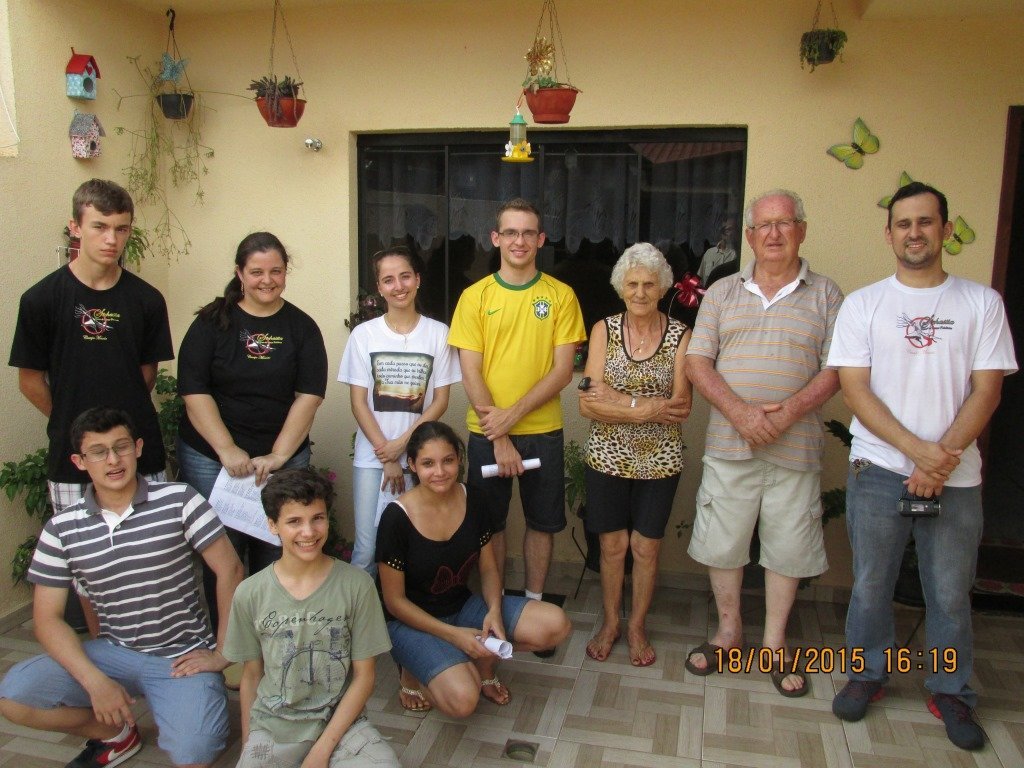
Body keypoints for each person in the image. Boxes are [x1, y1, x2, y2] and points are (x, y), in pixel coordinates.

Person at [827, 182, 1016, 750]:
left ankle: (951, 690)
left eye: (926, 222)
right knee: (871, 585)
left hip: (955, 478)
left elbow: (987, 392)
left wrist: (938, 461)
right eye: (904, 224)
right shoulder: (864, 305)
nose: (915, 233)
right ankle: (867, 675)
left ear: (946, 230)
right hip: (879, 470)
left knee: (950, 593)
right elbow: (855, 390)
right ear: (889, 235)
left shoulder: (981, 303)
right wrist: (919, 452)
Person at [0, 407, 244, 768]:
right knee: (14, 699)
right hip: (112, 652)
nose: (113, 460)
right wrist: (94, 682)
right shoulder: (61, 527)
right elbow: (47, 619)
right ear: (80, 461)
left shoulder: (179, 499)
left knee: (195, 753)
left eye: (121, 447)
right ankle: (114, 733)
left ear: (138, 448)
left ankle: (190, 706)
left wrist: (223, 651)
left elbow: (231, 570)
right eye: (98, 452)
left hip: (180, 656)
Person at [684, 189, 843, 697]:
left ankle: (775, 644)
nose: (774, 233)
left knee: (788, 549)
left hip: (796, 449)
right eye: (764, 225)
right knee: (723, 542)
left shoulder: (827, 294)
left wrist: (788, 413)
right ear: (749, 236)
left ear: (802, 230)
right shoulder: (722, 291)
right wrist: (741, 413)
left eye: (784, 223)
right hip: (730, 445)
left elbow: (837, 369)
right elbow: (698, 362)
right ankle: (729, 632)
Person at [177, 231, 328, 628]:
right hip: (212, 459)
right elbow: (193, 391)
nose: (267, 280)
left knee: (277, 549)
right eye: (257, 272)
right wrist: (226, 449)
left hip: (281, 459)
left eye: (276, 271)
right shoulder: (211, 324)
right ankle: (227, 642)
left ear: (286, 272)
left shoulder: (301, 327)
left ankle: (271, 636)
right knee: (223, 554)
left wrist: (278, 455)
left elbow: (309, 396)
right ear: (239, 273)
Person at [448, 198, 587, 617]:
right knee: (489, 524)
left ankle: (533, 606)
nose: (519, 241)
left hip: (543, 432)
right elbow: (470, 371)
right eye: (510, 232)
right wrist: (501, 433)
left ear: (541, 239)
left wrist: (512, 415)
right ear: (496, 238)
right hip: (487, 433)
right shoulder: (475, 297)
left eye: (528, 233)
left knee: (542, 523)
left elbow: (563, 371)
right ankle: (494, 607)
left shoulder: (561, 296)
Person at [376, 421, 571, 716]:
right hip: (410, 621)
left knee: (556, 625)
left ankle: (480, 666)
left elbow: (489, 569)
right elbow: (394, 602)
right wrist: (453, 636)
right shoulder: (396, 517)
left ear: (459, 460)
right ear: (412, 465)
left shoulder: (474, 498)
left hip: (462, 607)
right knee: (463, 701)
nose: (440, 472)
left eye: (448, 460)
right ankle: (411, 672)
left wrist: (493, 611)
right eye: (428, 463)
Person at [9, 179, 173, 519]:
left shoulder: (148, 300)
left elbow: (146, 374)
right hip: (73, 456)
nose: (112, 239)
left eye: (121, 229)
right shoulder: (41, 299)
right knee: (82, 547)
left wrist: (116, 431)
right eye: (100, 226)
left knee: (149, 544)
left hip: (139, 451)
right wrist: (74, 425)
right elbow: (30, 381)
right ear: (76, 227)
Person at [224, 468, 399, 768]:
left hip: (343, 724)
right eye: (294, 521)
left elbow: (365, 677)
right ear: (272, 525)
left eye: (317, 518)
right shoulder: (250, 593)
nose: (309, 532)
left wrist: (321, 752)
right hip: (275, 725)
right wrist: (248, 745)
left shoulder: (357, 585)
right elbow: (251, 675)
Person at [579, 243, 692, 667]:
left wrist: (616, 399)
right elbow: (587, 404)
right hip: (606, 457)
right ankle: (611, 623)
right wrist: (643, 408)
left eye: (649, 284)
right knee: (612, 546)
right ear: (620, 287)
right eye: (632, 284)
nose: (640, 292)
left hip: (660, 460)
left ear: (662, 288)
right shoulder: (603, 330)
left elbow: (680, 407)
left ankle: (637, 626)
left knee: (645, 547)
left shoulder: (681, 335)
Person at [338, 246, 460, 573]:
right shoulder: (363, 335)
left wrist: (401, 446)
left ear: (418, 279)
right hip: (372, 458)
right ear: (379, 288)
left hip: (421, 458)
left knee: (415, 543)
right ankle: (366, 607)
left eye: (405, 276)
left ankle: (405, 605)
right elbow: (358, 403)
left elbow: (440, 401)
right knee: (367, 548)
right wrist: (388, 455)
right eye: (388, 280)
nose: (398, 286)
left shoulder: (438, 334)